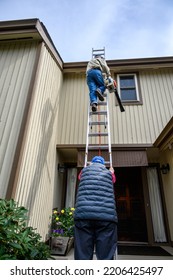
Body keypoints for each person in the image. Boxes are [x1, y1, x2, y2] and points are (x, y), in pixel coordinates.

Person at [74, 156, 118, 260]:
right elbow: (114, 180)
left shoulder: (84, 172)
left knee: (82, 255)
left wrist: (86, 168)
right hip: (106, 218)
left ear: (91, 164)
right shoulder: (108, 173)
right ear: (103, 165)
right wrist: (111, 171)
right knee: (105, 255)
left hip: (83, 216)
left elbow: (80, 177)